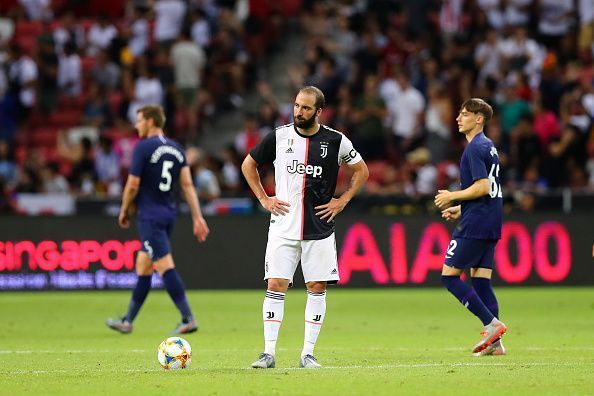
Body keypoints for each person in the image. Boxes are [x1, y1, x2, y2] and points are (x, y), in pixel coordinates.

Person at [241, 86, 369, 369]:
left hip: (319, 226)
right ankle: (268, 353)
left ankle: (307, 354)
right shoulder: (279, 136)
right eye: (297, 106)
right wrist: (264, 198)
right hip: (283, 225)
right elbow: (249, 164)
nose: (299, 112)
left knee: (317, 286)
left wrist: (343, 200)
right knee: (275, 284)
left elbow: (362, 170)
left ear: (319, 112)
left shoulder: (336, 141)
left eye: (306, 108)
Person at [106, 105, 210, 334]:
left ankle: (188, 318)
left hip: (150, 217)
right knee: (143, 265)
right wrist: (197, 217)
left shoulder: (143, 147)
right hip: (168, 213)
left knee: (164, 266)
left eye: (139, 120)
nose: (136, 125)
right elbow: (187, 185)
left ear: (151, 122)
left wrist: (123, 209)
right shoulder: (177, 148)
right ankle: (128, 320)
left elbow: (132, 184)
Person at [434, 98, 508, 357]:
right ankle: (496, 345)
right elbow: (489, 191)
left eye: (465, 114)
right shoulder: (489, 147)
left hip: (476, 224)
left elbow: (482, 187)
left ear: (479, 119)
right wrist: (462, 208)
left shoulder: (475, 148)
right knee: (480, 281)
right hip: (489, 219)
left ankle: (492, 325)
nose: (458, 118)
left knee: (449, 276)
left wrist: (452, 196)